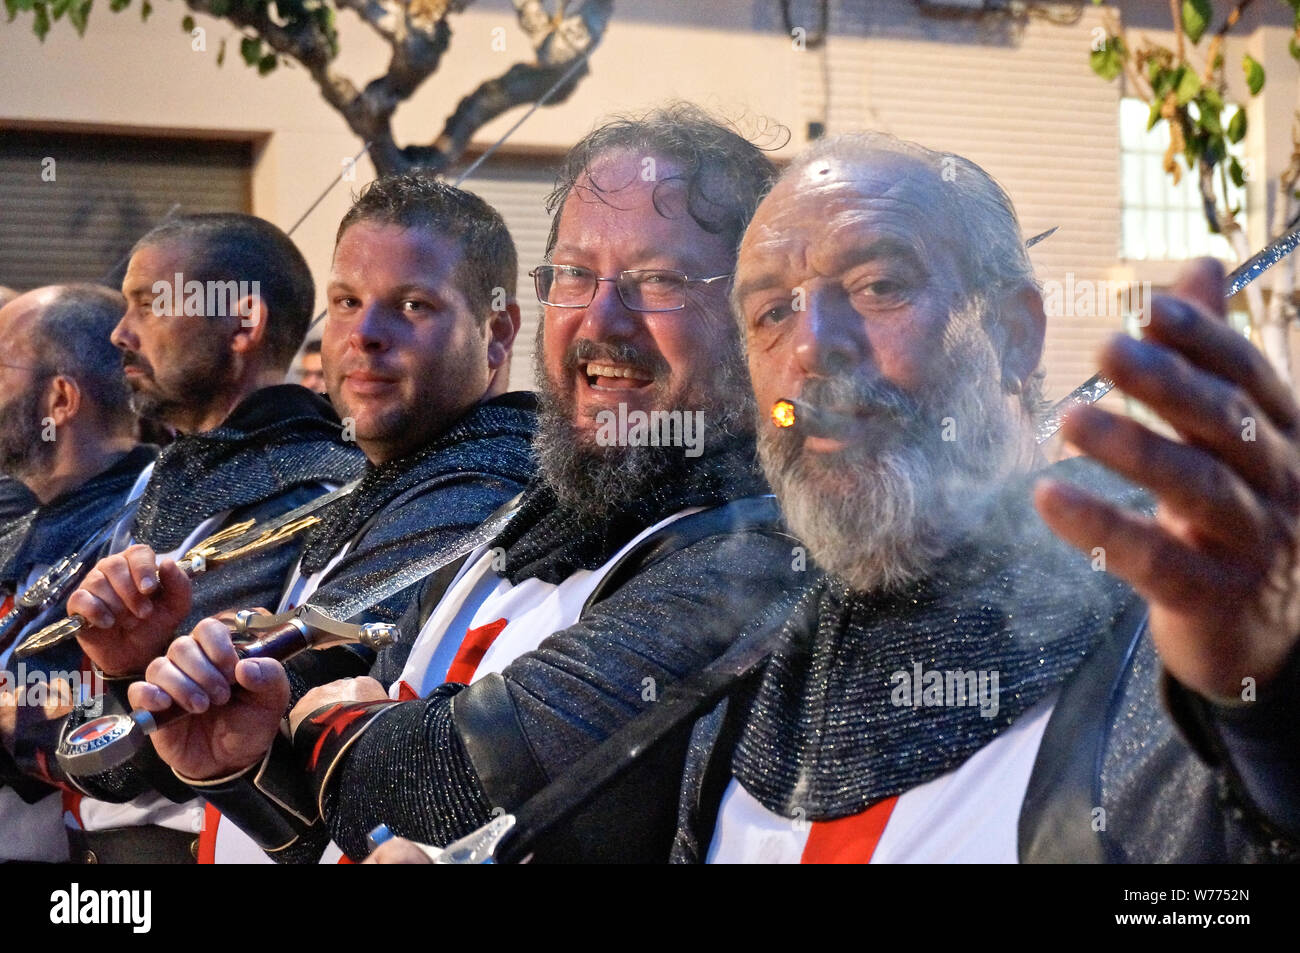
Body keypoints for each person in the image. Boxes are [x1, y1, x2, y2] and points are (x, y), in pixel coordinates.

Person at [132, 104, 806, 863]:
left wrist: (322, 723)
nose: (600, 320)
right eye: (576, 275)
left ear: (760, 316)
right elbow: (342, 829)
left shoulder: (752, 551)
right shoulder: (528, 517)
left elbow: (435, 782)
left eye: (658, 280)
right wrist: (242, 759)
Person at [659, 132, 1300, 862]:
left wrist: (1271, 699)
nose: (811, 346)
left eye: (879, 285)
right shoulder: (743, 699)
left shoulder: (1175, 625)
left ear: (1014, 333)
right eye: (772, 311)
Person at [95, 175, 538, 863]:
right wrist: (138, 665)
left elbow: (290, 710)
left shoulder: (480, 486)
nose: (364, 334)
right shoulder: (391, 478)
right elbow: (285, 788)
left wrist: (175, 684)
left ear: (498, 330)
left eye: (413, 305)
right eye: (347, 302)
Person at [49, 213, 364, 863]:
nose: (120, 332)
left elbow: (150, 751)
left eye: (147, 304)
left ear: (242, 322)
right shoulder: (166, 472)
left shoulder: (314, 486)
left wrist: (87, 699)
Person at [0, 285, 157, 862]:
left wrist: (19, 714)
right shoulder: (26, 517)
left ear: (60, 399)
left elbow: (135, 714)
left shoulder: (150, 525)